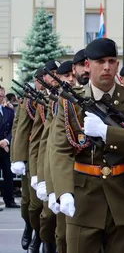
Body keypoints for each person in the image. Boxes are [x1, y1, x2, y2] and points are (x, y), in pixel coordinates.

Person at [50, 37, 124, 253]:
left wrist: (107, 132)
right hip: (83, 200)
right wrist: (63, 191)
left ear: (117, 64)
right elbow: (59, 149)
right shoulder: (70, 102)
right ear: (88, 65)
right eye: (100, 61)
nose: (107, 66)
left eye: (111, 60)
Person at [44, 60, 76, 253]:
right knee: (58, 229)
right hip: (61, 171)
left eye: (73, 74)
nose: (71, 79)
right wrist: (46, 182)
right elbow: (48, 144)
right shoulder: (55, 104)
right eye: (66, 76)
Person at [30, 60, 61, 253]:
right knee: (39, 211)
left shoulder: (72, 97)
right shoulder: (38, 101)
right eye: (53, 73)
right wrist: (37, 173)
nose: (56, 76)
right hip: (46, 160)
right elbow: (38, 139)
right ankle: (38, 236)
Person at [11, 68, 43, 251]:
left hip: (46, 155)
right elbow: (19, 130)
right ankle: (29, 226)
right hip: (31, 156)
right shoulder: (29, 103)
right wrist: (17, 158)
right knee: (27, 203)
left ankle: (39, 236)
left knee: (40, 205)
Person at [0, 85, 17, 209]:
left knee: (8, 174)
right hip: (1, 145)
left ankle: (9, 200)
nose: (1, 98)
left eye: (2, 96)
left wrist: (6, 140)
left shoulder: (9, 110)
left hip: (5, 147)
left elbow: (14, 128)